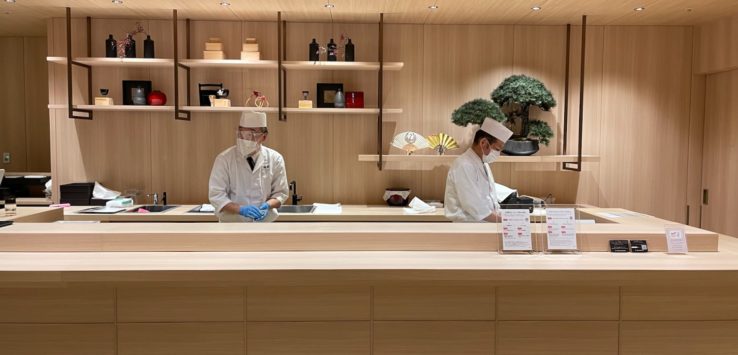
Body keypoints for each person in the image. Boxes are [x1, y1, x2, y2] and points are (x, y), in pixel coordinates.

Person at [208, 111, 288, 222]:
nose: (246, 140)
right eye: (242, 134)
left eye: (252, 135)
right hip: (232, 224)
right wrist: (240, 209)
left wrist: (267, 206)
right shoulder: (224, 159)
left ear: (264, 137)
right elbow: (216, 195)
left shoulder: (275, 158)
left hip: (265, 222)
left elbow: (281, 193)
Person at [444, 118, 513, 222]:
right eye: (497, 149)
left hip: (484, 225)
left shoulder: (484, 164)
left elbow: (491, 200)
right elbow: (475, 207)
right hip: (468, 229)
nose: (498, 154)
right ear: (484, 143)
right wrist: (506, 221)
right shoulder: (463, 165)